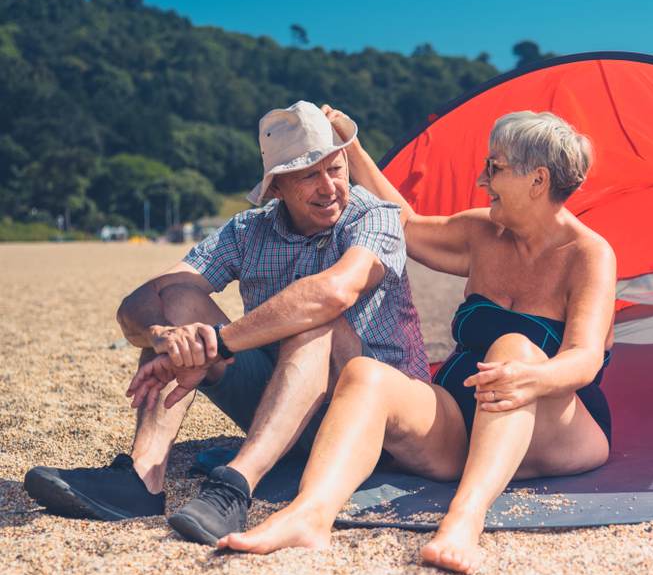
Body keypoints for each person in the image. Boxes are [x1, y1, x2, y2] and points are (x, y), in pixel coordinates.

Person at [136, 109, 616, 575]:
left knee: (513, 345)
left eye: (495, 168)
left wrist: (533, 376)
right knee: (366, 375)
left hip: (551, 419)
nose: (481, 179)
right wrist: (354, 147)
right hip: (464, 413)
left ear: (538, 181)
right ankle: (311, 515)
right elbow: (402, 224)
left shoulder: (588, 254)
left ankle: (464, 520)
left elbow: (585, 359)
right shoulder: (481, 234)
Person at [23, 101, 427, 545]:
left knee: (314, 321)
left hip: (376, 415)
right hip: (288, 405)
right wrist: (164, 337)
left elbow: (334, 292)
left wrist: (218, 342)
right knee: (177, 303)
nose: (329, 186)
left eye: (336, 168)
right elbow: (142, 299)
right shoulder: (247, 231)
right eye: (310, 175)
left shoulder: (375, 216)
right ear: (276, 189)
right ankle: (141, 478)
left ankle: (235, 486)